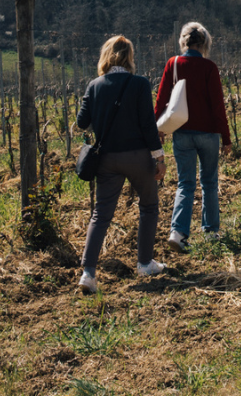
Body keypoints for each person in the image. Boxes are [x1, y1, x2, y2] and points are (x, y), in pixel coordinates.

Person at [77, 35, 167, 294]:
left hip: (107, 159)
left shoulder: (94, 85)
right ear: (129, 56)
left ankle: (88, 273)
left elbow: (83, 122)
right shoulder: (139, 84)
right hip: (138, 156)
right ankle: (145, 262)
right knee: (148, 206)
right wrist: (159, 158)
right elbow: (148, 126)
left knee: (101, 214)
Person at [153, 21, 232, 253]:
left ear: (183, 42)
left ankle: (177, 232)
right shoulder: (209, 68)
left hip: (182, 133)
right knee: (209, 182)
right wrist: (226, 138)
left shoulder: (173, 64)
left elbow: (161, 100)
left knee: (185, 183)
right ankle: (211, 231)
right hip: (208, 133)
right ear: (205, 43)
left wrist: (157, 129)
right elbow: (218, 106)